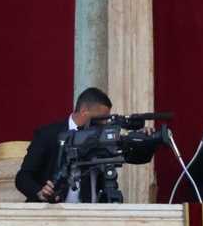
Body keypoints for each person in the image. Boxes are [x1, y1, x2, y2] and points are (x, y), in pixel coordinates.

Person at [15, 87, 156, 203]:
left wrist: (143, 139)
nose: (104, 124)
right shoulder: (48, 135)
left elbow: (134, 157)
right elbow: (23, 177)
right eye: (100, 119)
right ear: (84, 112)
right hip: (52, 216)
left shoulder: (102, 136)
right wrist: (40, 192)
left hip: (90, 219)